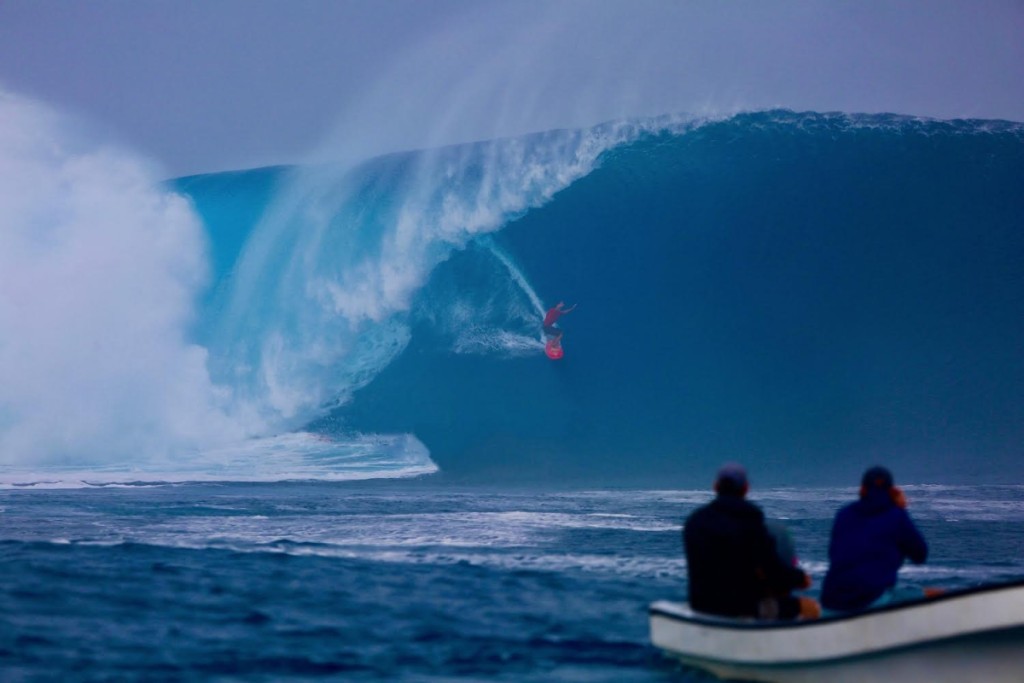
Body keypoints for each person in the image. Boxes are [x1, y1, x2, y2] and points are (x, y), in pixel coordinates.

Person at [683, 463, 819, 620]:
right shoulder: (749, 521)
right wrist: (800, 578)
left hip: (702, 605)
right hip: (743, 607)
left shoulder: (695, 521)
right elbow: (771, 569)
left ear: (715, 486)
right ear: (746, 488)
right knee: (809, 608)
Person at [820, 466, 928, 612]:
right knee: (934, 595)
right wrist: (901, 508)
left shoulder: (843, 515)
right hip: (872, 599)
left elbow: (833, 554)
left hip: (831, 600)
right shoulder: (896, 516)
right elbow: (920, 555)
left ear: (862, 490)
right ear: (891, 492)